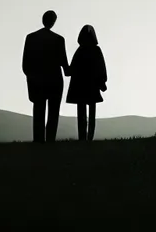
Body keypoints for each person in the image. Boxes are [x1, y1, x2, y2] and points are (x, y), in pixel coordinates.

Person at [22, 10, 70, 143]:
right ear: (53, 22)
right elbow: (65, 66)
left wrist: (31, 79)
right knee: (53, 113)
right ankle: (50, 140)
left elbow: (25, 64)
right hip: (55, 80)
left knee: (38, 111)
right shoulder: (59, 40)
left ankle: (38, 140)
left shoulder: (31, 38)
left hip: (38, 80)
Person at [66, 24, 108, 142]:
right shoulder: (96, 50)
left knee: (82, 113)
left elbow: (72, 69)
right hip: (92, 85)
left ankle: (83, 137)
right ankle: (88, 138)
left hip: (80, 86)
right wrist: (102, 82)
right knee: (91, 112)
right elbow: (101, 68)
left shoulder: (80, 51)